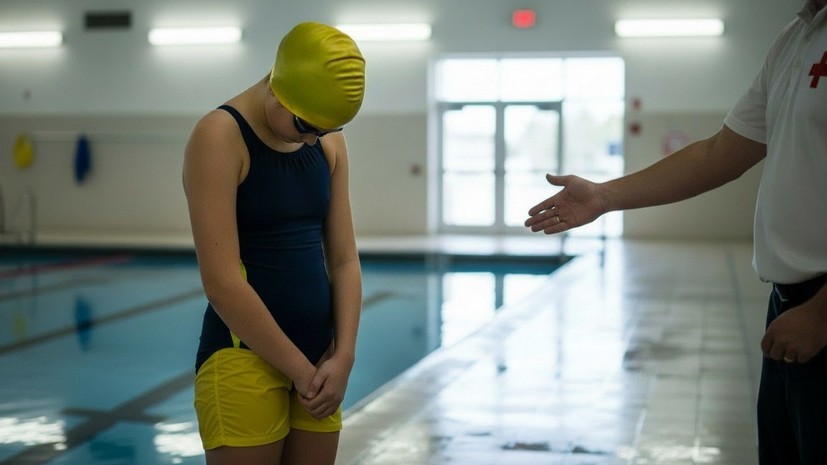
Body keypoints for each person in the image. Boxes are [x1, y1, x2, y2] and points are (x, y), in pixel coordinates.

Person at [525, 1, 826, 464]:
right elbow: (719, 152)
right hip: (788, 305)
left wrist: (823, 312)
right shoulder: (796, 37)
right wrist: (603, 196)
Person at [182, 22, 365, 465]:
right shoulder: (219, 137)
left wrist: (343, 357)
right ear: (278, 88)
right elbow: (221, 282)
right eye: (305, 125)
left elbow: (344, 260)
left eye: (326, 129)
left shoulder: (327, 141)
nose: (313, 138)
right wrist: (300, 371)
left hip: (321, 361)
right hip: (243, 358)